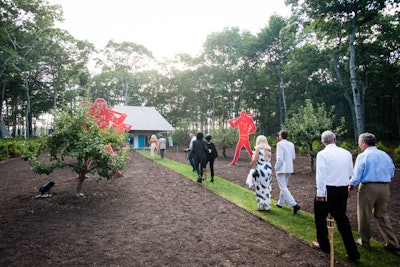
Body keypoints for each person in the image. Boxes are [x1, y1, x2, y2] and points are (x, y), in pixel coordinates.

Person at [312, 130, 360, 261]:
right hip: (342, 190)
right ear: (335, 140)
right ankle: (353, 252)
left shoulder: (322, 154)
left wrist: (320, 193)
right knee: (342, 220)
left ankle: (324, 245)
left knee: (320, 219)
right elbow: (351, 173)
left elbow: (321, 175)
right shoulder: (346, 153)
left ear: (323, 142)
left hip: (327, 190)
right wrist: (349, 187)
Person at [349, 132, 400, 252]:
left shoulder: (363, 156)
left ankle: (364, 241)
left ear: (364, 143)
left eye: (359, 143)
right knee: (382, 214)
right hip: (384, 187)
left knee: (364, 214)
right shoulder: (384, 155)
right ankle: (392, 242)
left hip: (368, 187)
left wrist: (351, 185)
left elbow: (356, 176)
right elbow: (392, 171)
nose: (359, 145)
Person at [275, 130, 301, 214]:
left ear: (281, 136)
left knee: (283, 187)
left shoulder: (279, 144)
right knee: (284, 186)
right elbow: (293, 157)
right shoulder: (291, 144)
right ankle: (280, 203)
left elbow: (280, 158)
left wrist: (276, 167)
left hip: (281, 168)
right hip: (289, 168)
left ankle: (294, 204)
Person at [250, 135, 273, 211]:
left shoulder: (258, 148)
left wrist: (253, 156)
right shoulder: (268, 149)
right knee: (266, 187)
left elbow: (255, 159)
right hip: (268, 169)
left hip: (260, 170)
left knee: (259, 187)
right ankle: (267, 205)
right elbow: (268, 159)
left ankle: (261, 204)